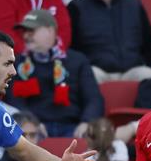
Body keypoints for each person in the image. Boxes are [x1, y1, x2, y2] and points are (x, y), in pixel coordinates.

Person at [6, 9, 102, 137]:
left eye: (31, 30)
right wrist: (30, 122)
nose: (25, 36)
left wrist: (86, 122)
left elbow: (94, 99)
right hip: (35, 129)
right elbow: (14, 101)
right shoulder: (18, 63)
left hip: (73, 128)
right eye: (24, 31)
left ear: (50, 31)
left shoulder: (77, 60)